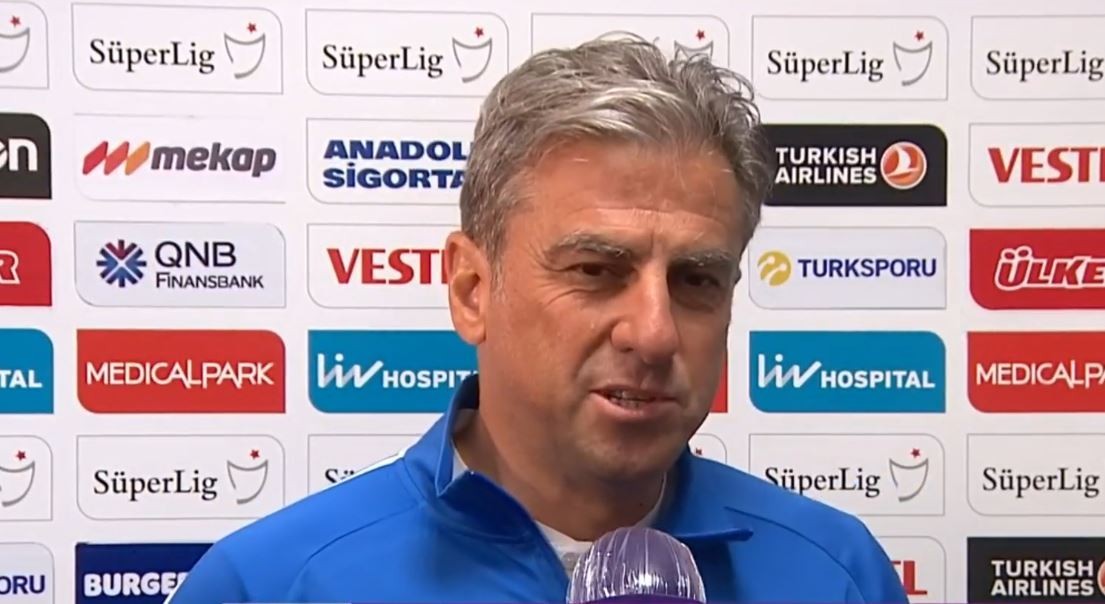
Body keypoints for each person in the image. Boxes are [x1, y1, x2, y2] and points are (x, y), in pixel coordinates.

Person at [167, 38, 909, 603]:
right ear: (471, 290)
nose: (654, 333)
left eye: (695, 280)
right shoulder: (270, 584)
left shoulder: (835, 572)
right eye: (595, 271)